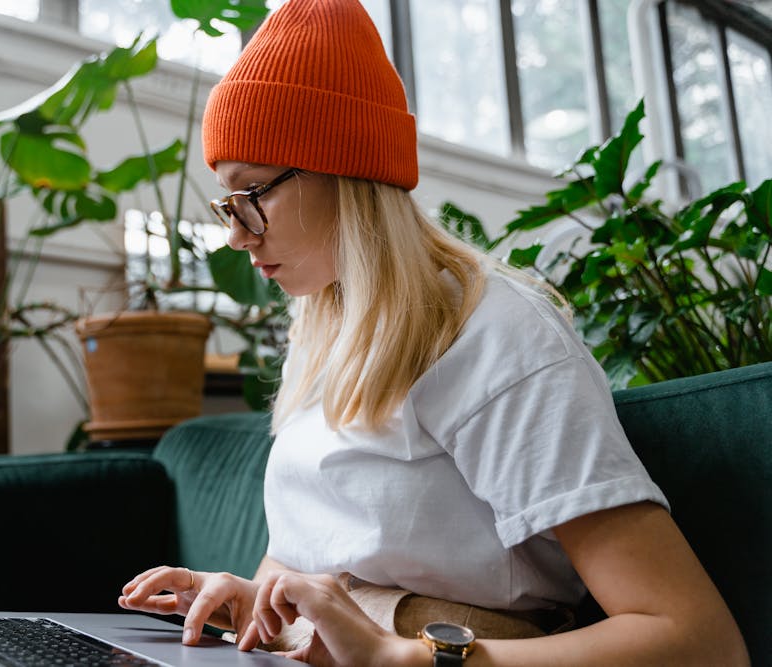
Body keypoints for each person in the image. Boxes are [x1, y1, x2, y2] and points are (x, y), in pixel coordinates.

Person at [120, 0, 749, 664]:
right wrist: (252, 602)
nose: (236, 234)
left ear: (344, 169)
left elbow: (699, 639)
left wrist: (407, 658)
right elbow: (323, 571)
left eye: (253, 193)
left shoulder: (495, 335)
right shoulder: (325, 339)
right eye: (227, 201)